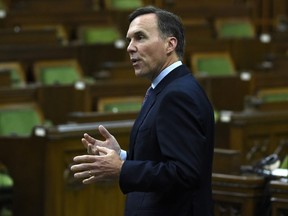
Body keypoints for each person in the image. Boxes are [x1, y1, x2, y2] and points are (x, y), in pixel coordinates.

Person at [71, 6, 215, 216]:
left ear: (170, 44)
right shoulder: (166, 88)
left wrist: (121, 169)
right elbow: (160, 159)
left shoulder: (178, 95)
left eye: (140, 37)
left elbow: (184, 173)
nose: (130, 47)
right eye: (129, 40)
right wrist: (120, 156)